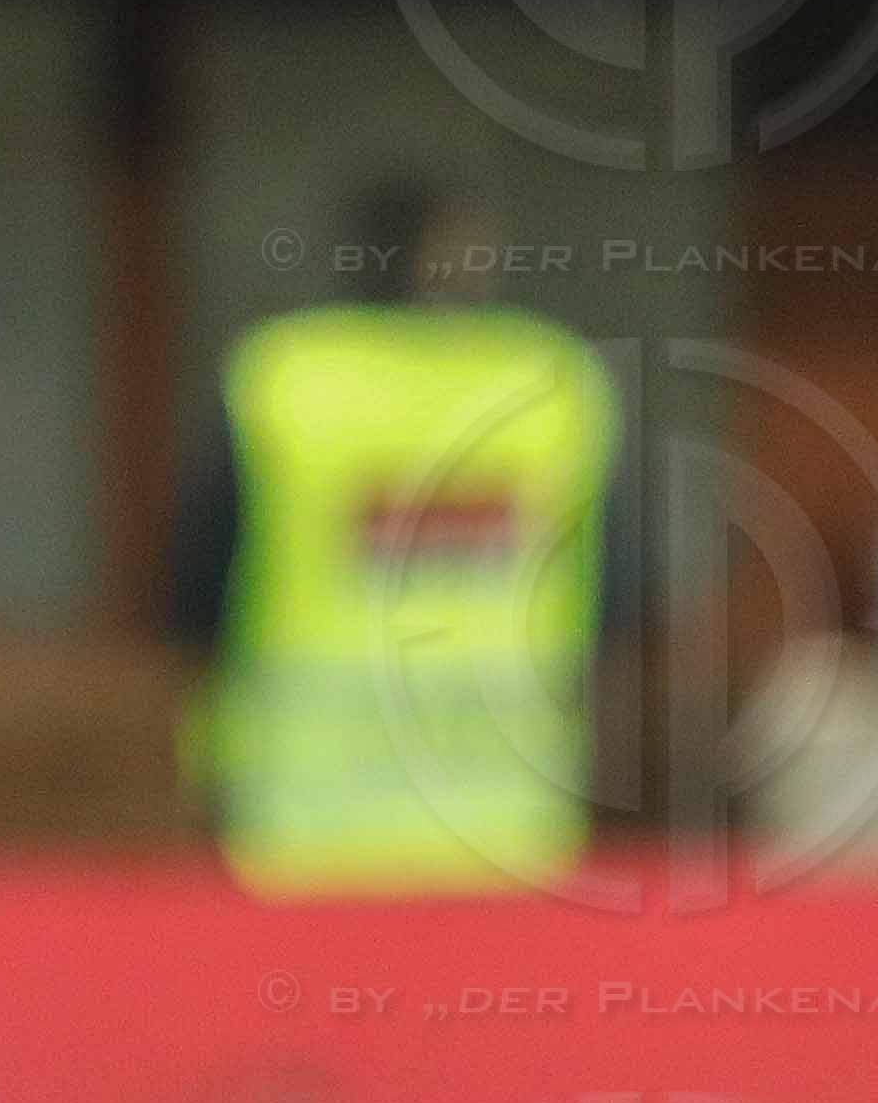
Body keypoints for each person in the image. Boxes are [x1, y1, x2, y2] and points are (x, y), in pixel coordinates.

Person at [171, 175, 632, 891]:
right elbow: (620, 590)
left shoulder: (284, 376)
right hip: (508, 819)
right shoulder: (553, 379)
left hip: (304, 824)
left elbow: (192, 585)